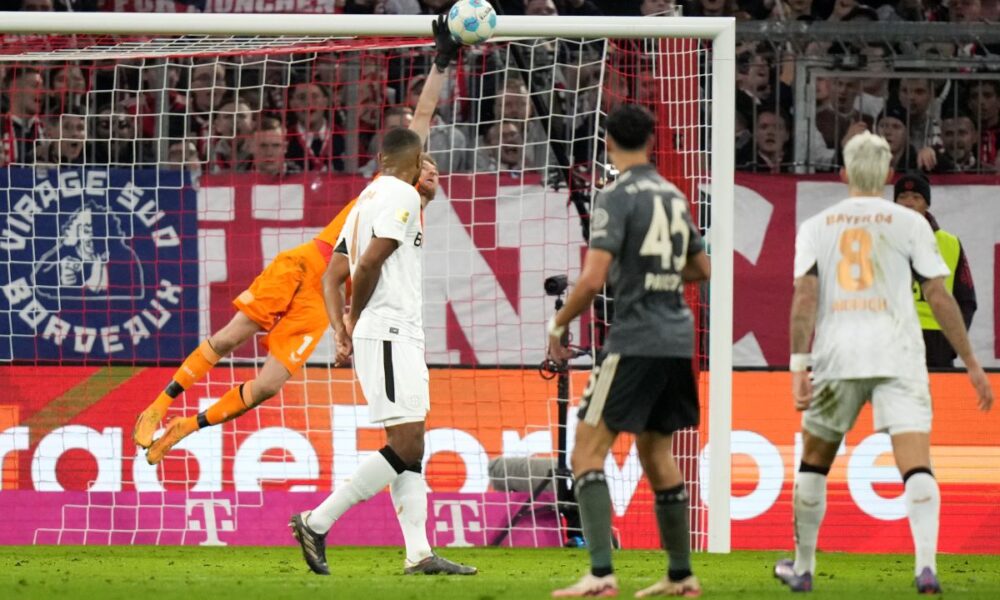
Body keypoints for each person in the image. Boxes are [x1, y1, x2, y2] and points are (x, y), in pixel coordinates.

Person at [133, 15, 459, 466]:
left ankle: (186, 427)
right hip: (306, 264)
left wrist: (346, 325)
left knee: (268, 386)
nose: (432, 171)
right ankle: (158, 405)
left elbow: (371, 276)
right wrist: (441, 62)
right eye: (426, 165)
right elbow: (421, 118)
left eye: (436, 171)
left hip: (324, 298)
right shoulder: (391, 184)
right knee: (230, 337)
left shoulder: (411, 220)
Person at [288, 18, 475, 579]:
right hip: (389, 329)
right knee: (408, 442)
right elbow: (364, 268)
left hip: (388, 332)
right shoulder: (399, 197)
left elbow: (331, 275)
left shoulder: (369, 198)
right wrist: (353, 318)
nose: (432, 169)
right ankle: (317, 520)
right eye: (426, 162)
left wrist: (441, 63)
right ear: (413, 165)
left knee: (410, 442)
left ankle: (419, 552)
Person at [776, 132, 993, 594]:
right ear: (888, 175)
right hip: (899, 353)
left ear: (843, 173)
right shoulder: (912, 224)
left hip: (838, 355)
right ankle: (926, 566)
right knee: (916, 463)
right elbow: (939, 295)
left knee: (814, 464)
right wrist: (972, 361)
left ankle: (804, 566)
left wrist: (798, 365)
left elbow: (805, 298)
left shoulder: (817, 226)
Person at [545, 104, 711, 598]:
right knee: (657, 452)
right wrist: (657, 273)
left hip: (635, 339)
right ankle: (681, 575)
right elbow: (701, 268)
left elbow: (593, 279)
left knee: (586, 451)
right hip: (676, 341)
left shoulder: (614, 196)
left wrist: (558, 324)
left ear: (609, 143)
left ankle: (600, 573)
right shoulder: (673, 195)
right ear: (651, 142)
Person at [893, 173, 977, 367]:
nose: (908, 203)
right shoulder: (879, 241)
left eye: (916, 197)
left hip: (937, 346)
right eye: (902, 197)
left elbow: (967, 301)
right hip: (893, 342)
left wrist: (952, 344)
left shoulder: (950, 243)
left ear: (927, 204)